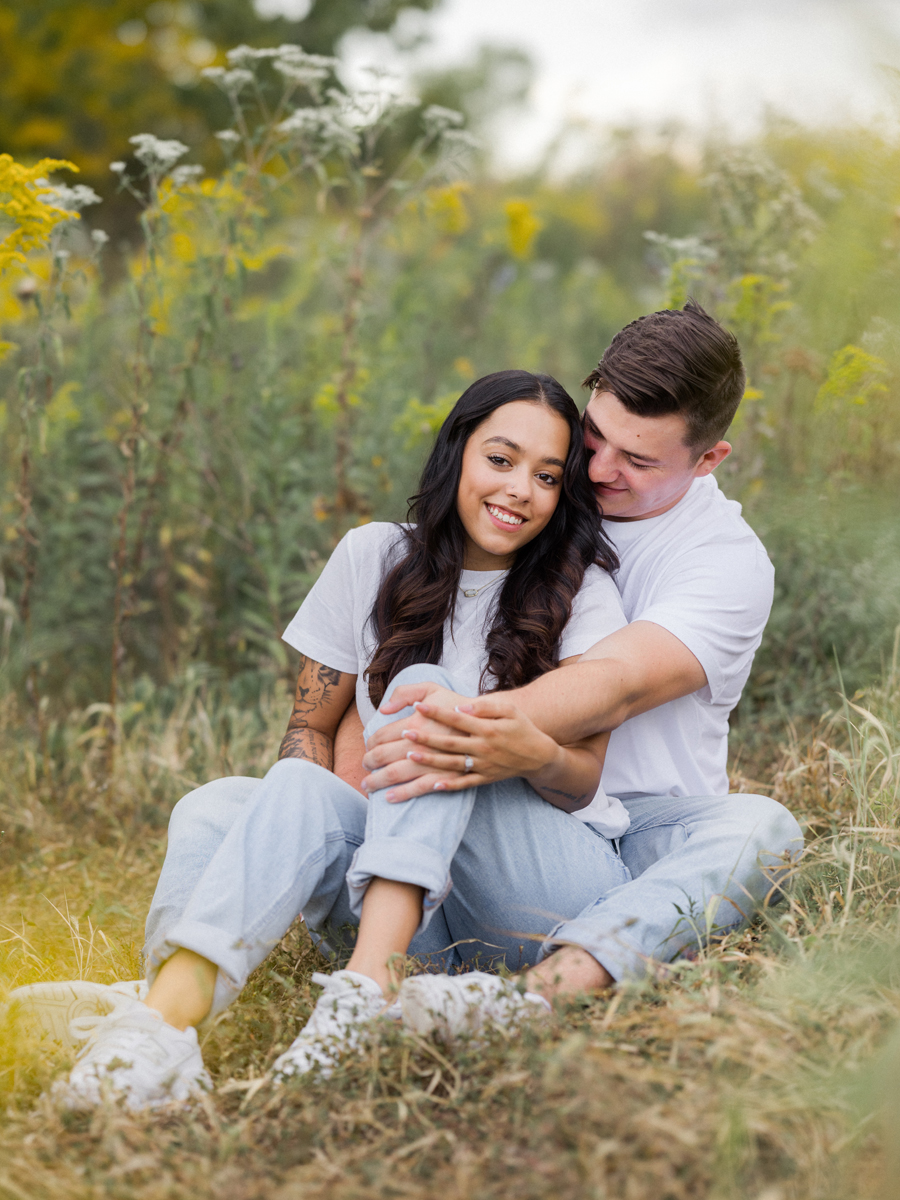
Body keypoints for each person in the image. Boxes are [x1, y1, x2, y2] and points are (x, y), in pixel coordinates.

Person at [22, 369, 633, 1110]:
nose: (519, 491)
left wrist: (513, 749)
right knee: (214, 806)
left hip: (534, 896)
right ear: (457, 455)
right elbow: (308, 728)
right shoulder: (374, 556)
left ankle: (358, 994)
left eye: (546, 476)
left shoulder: (581, 590)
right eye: (499, 461)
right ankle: (162, 1024)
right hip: (404, 893)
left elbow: (583, 779)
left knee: (423, 694)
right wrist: (315, 819)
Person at [358, 302, 803, 1036]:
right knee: (249, 804)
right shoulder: (539, 489)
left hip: (634, 831)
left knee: (767, 826)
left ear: (709, 458)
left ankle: (531, 1001)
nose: (596, 470)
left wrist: (460, 723)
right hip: (501, 806)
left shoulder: (725, 562)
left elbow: (616, 681)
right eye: (595, 436)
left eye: (637, 459)